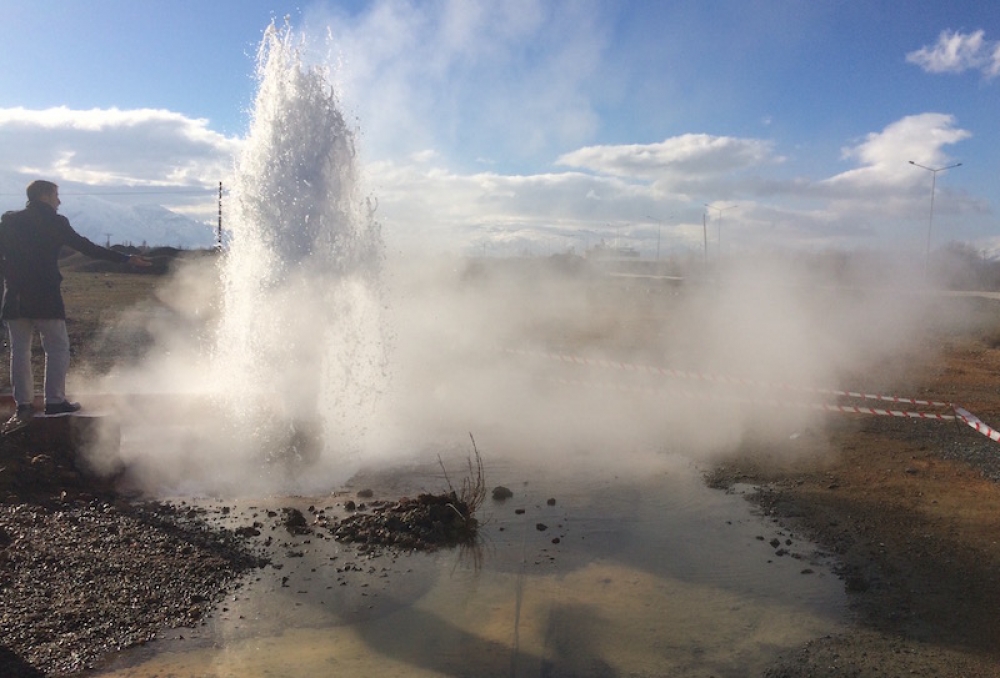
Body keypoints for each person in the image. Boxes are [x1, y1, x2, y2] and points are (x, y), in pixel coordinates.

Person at [0, 180, 152, 434]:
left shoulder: (9, 221)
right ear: (45, 196)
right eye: (56, 195)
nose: (59, 201)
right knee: (57, 347)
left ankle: (24, 405)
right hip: (46, 296)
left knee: (19, 351)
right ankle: (55, 401)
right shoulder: (55, 223)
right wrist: (125, 259)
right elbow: (87, 248)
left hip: (14, 296)